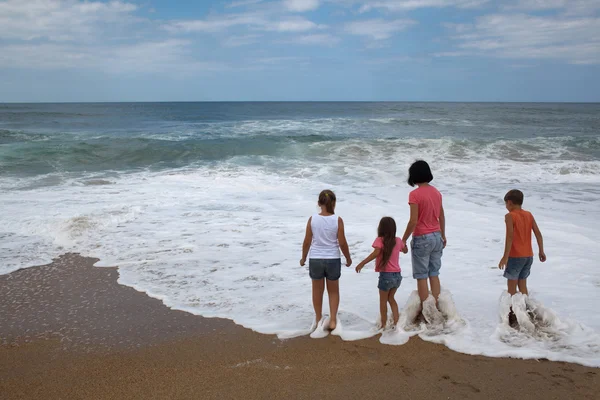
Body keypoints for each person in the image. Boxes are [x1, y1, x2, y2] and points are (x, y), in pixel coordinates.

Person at [300, 190, 352, 332]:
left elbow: (307, 242)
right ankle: (333, 320)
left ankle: (318, 318)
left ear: (318, 203)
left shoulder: (312, 219)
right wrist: (348, 258)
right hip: (333, 259)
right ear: (334, 203)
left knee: (317, 291)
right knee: (333, 291)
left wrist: (303, 258)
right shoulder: (338, 220)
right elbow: (342, 243)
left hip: (315, 259)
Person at [401, 160, 446, 320]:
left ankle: (425, 311)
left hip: (422, 237)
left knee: (421, 275)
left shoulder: (414, 194)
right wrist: (443, 234)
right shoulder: (436, 192)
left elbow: (413, 221)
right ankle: (436, 306)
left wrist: (404, 239)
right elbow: (441, 216)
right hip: (436, 236)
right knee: (434, 273)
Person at [355, 217, 405, 330]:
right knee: (391, 298)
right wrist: (404, 245)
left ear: (381, 228)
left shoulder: (380, 240)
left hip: (386, 276)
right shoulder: (398, 240)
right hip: (397, 276)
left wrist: (362, 263)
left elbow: (375, 253)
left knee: (383, 301)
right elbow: (404, 249)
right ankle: (397, 323)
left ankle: (383, 324)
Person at [498, 189, 546, 301]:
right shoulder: (529, 214)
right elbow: (538, 234)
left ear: (509, 202)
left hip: (515, 257)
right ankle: (527, 309)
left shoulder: (510, 216)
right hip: (528, 256)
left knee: (511, 291)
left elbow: (509, 237)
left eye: (506, 204)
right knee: (523, 287)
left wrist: (505, 257)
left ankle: (513, 314)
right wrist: (541, 251)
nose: (506, 206)